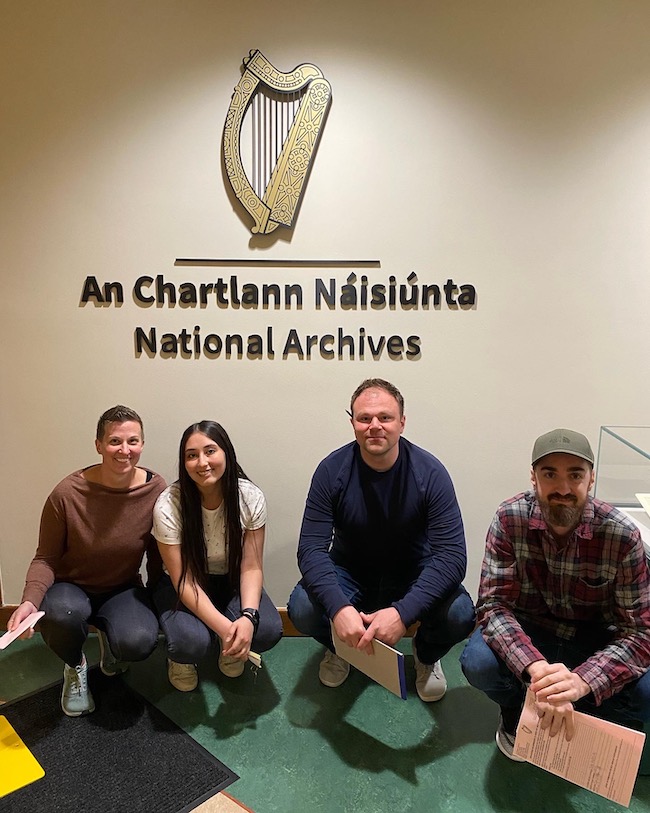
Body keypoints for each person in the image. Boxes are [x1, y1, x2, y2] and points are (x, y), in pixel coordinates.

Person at [461, 428, 650, 761]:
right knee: (477, 662)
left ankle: (580, 712)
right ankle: (518, 707)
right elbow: (493, 606)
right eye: (550, 474)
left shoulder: (622, 535)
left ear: (591, 480)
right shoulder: (509, 519)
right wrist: (534, 669)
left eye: (575, 475)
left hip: (595, 641)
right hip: (532, 633)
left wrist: (581, 681)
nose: (563, 488)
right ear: (533, 478)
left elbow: (640, 634)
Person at [287, 379, 475, 701]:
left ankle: (426, 655)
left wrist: (403, 613)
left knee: (460, 613)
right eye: (364, 418)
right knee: (301, 607)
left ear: (402, 422)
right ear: (353, 424)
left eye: (385, 417)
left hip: (413, 574)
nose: (374, 426)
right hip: (350, 573)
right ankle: (342, 650)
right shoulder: (331, 471)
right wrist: (339, 608)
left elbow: (452, 557)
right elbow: (311, 550)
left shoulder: (430, 473)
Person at [6, 405, 166, 717]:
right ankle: (75, 665)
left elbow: (158, 557)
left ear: (142, 445)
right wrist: (29, 600)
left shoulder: (155, 489)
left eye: (133, 441)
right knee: (62, 614)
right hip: (71, 588)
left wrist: (164, 603)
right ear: (98, 445)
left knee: (140, 641)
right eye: (114, 442)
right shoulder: (67, 493)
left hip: (122, 588)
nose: (124, 450)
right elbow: (46, 558)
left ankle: (111, 641)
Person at [152, 421, 282, 692]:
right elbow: (183, 579)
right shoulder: (168, 505)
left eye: (210, 451)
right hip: (183, 585)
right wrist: (225, 628)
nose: (202, 462)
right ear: (183, 462)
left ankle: (231, 648)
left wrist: (247, 618)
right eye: (191, 455)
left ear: (226, 453)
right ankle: (181, 659)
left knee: (267, 628)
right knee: (190, 643)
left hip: (230, 579)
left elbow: (251, 566)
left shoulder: (249, 497)